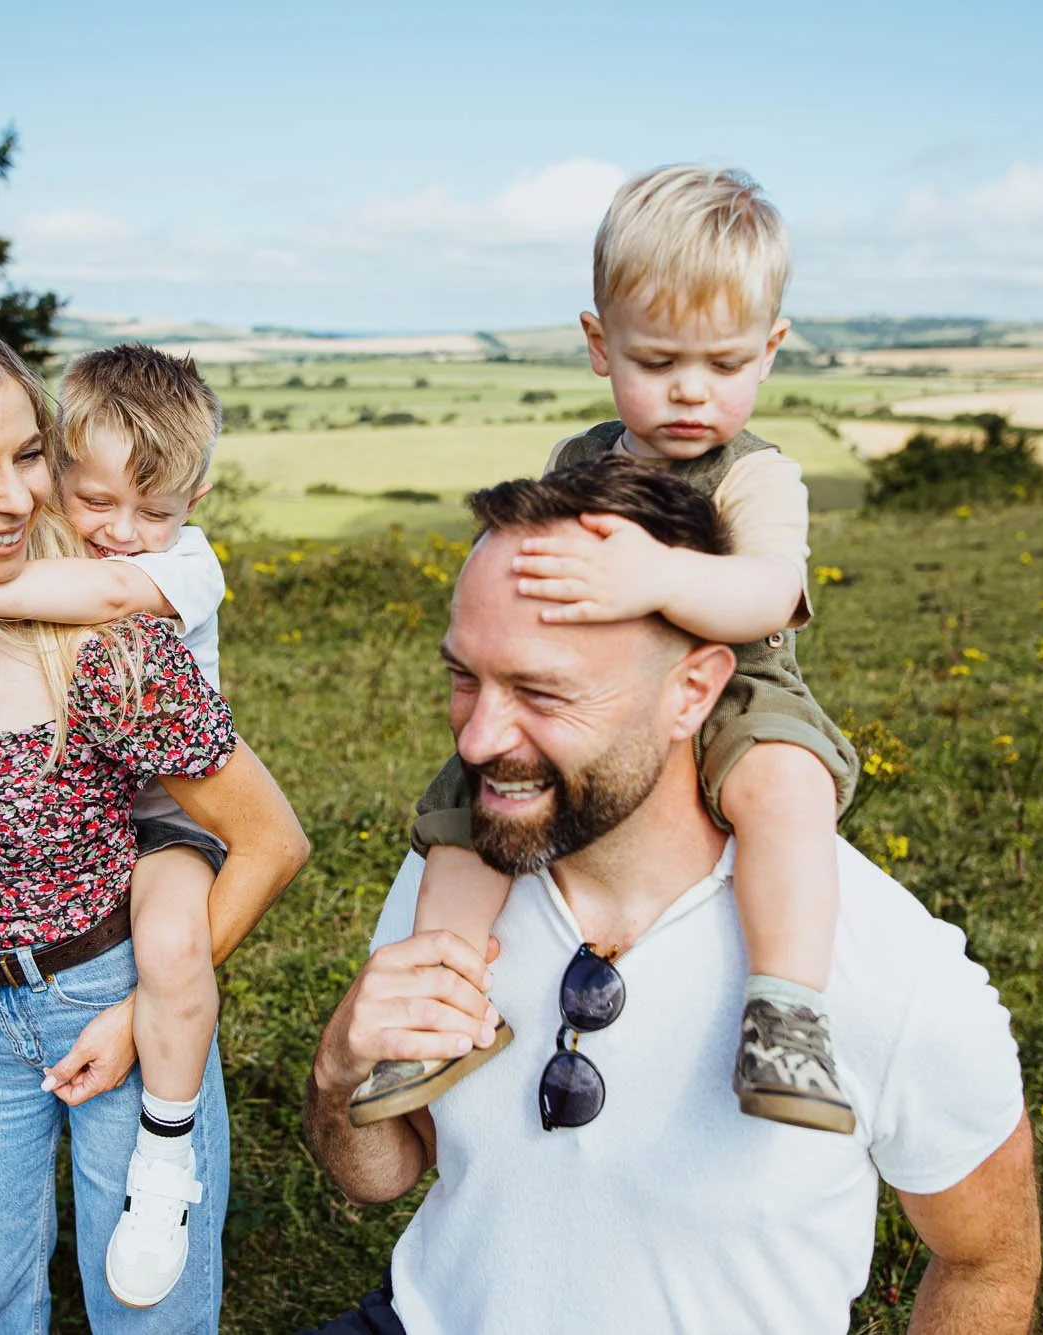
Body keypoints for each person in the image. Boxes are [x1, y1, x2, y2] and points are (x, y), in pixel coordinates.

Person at [305, 460, 1038, 1334]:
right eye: (465, 677)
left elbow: (986, 1261)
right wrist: (336, 1074)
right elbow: (380, 1172)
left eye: (541, 690)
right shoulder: (459, 875)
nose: (477, 735)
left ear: (693, 691)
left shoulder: (887, 963)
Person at [0, 314, 308, 1331]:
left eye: (28, 454)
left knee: (145, 1316)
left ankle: (166, 1155)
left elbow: (271, 841)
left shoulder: (113, 648)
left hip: (115, 985)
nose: (19, 496)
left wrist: (138, 1015)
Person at [350, 164, 864, 1137]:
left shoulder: (756, 476)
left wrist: (658, 581)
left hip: (741, 682)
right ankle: (438, 1004)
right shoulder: (579, 462)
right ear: (598, 345)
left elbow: (765, 595)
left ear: (770, 349)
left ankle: (784, 1012)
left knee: (784, 791)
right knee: (477, 797)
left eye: (721, 365)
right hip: (586, 686)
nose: (688, 392)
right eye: (657, 359)